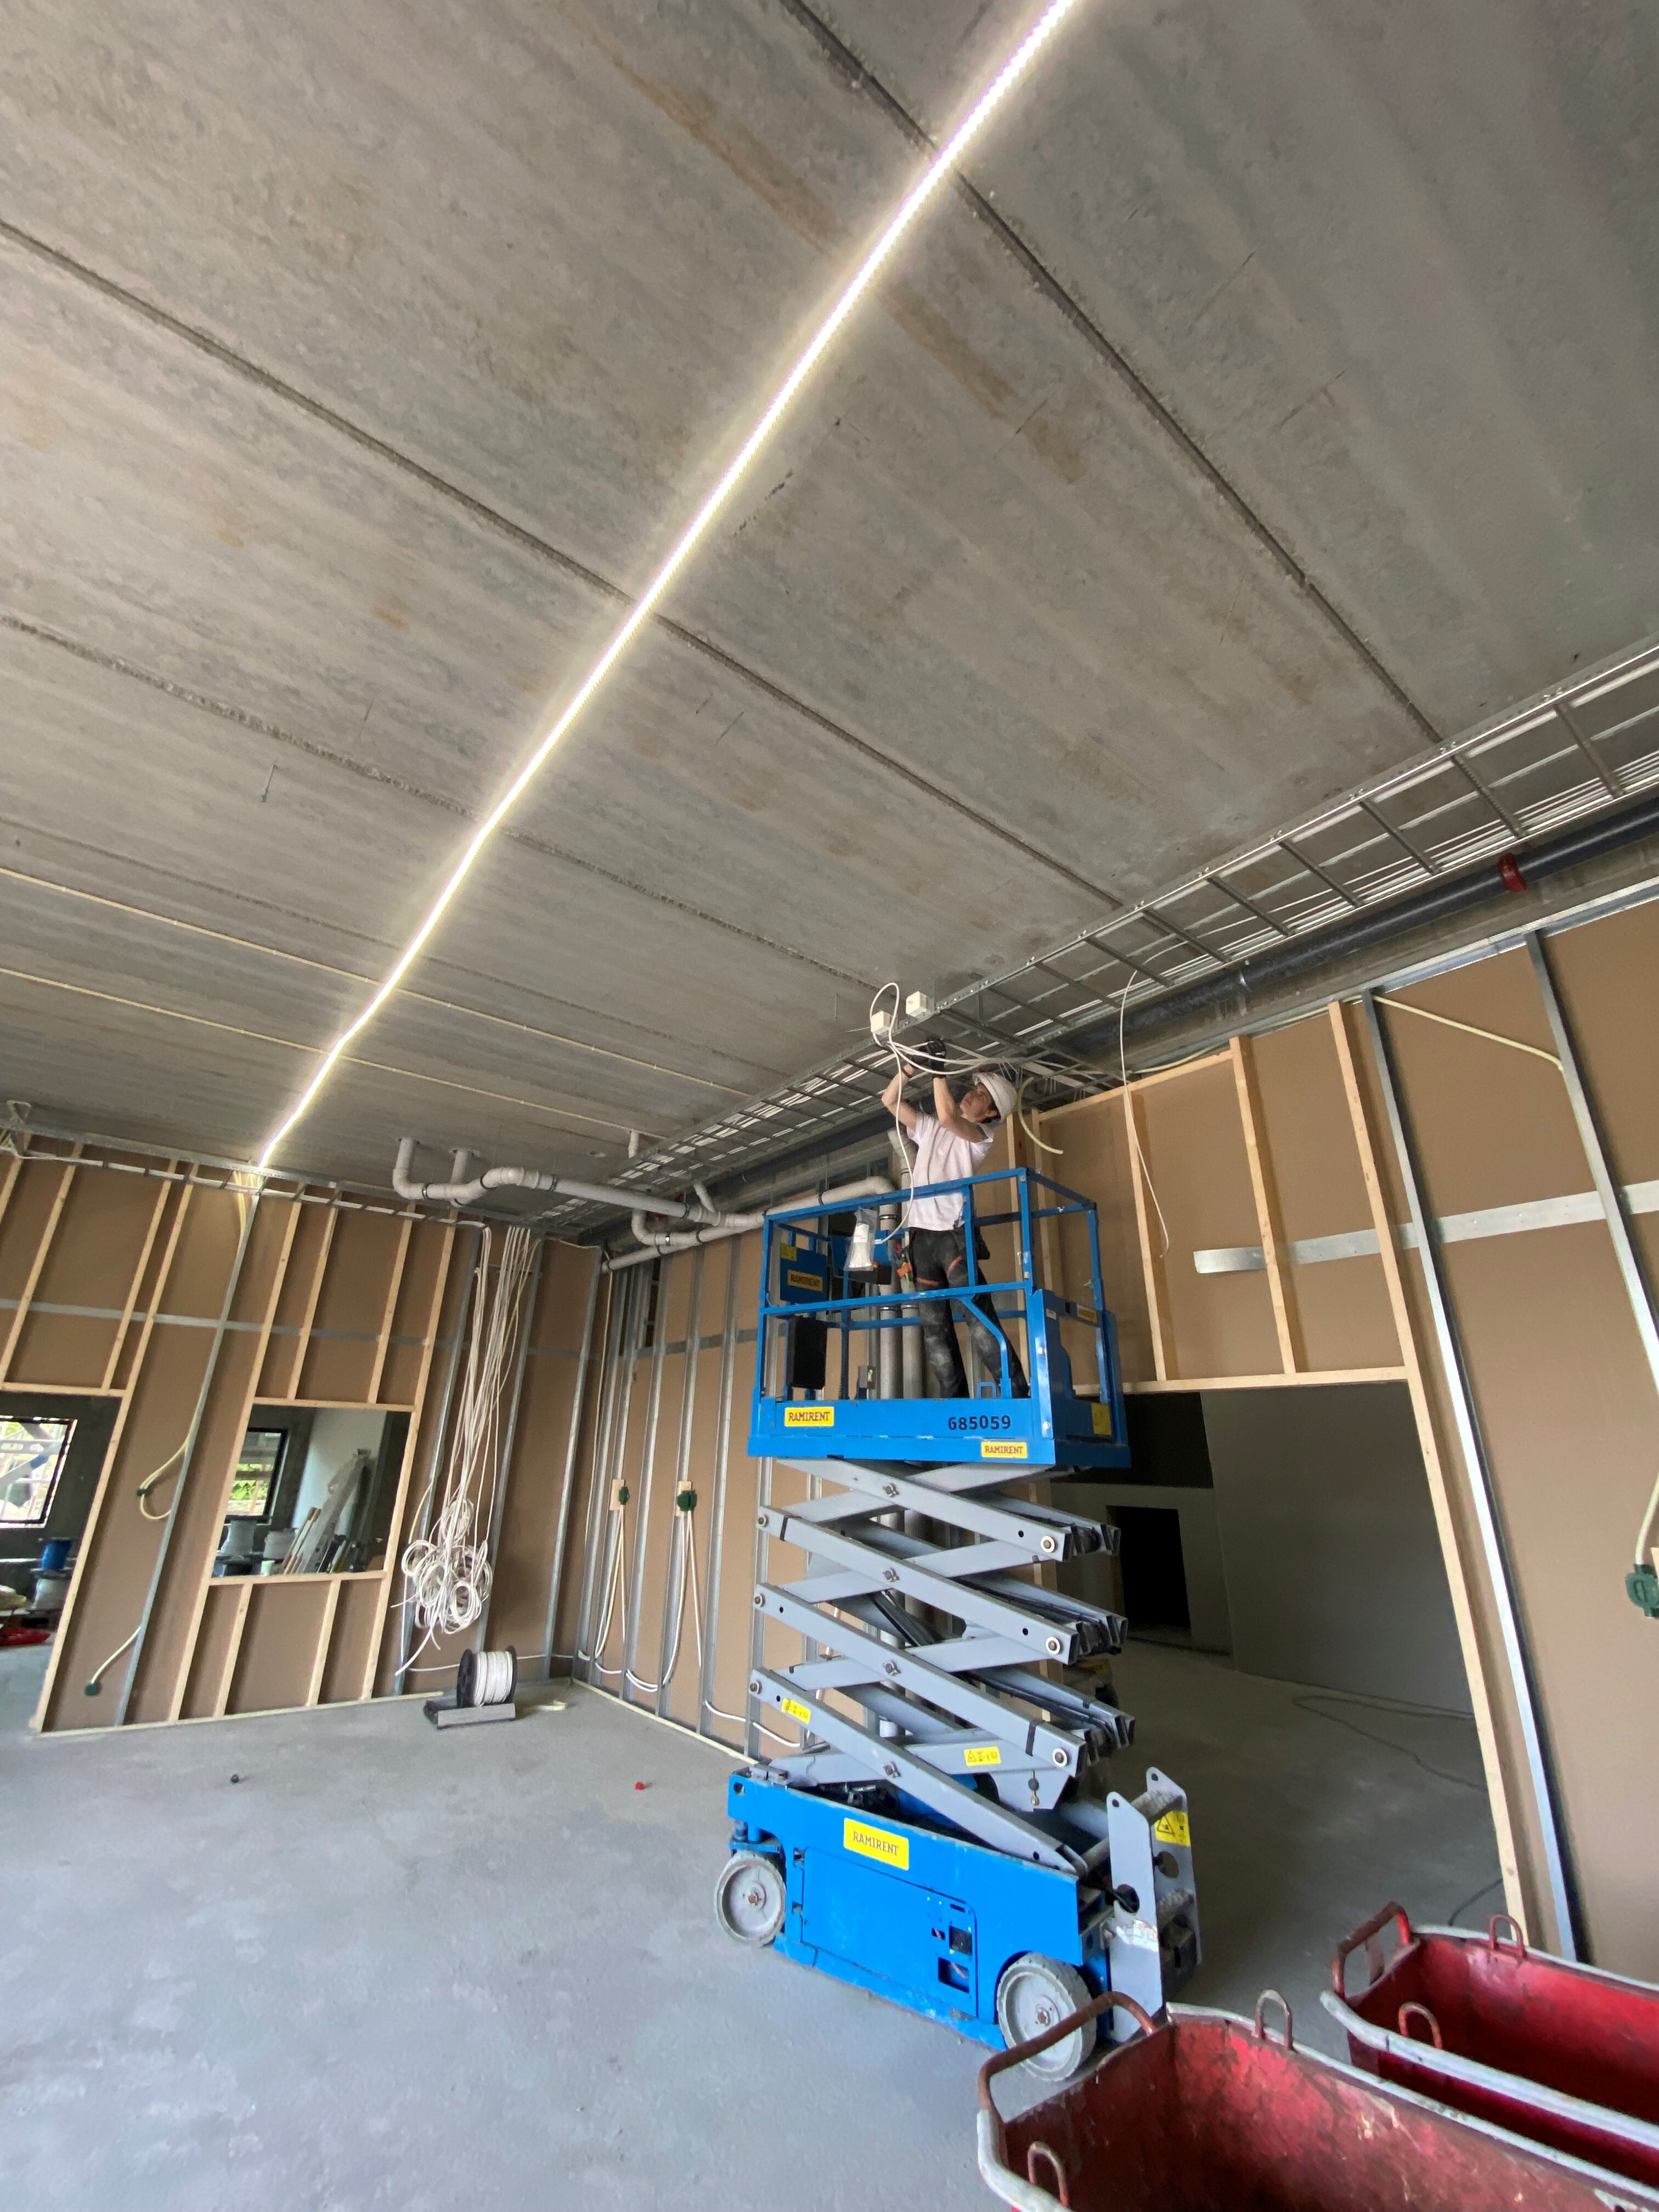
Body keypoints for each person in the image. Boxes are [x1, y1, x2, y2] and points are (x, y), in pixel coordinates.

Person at [881, 1059, 1028, 1400]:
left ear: (991, 1114)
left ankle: (1017, 1393)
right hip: (920, 1238)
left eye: (981, 1096)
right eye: (974, 1090)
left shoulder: (981, 1138)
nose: (971, 1096)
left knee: (978, 1317)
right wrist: (907, 1071)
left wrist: (938, 1072)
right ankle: (955, 1401)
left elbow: (949, 1118)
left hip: (952, 1236)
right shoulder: (929, 1128)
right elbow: (889, 1101)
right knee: (934, 1330)